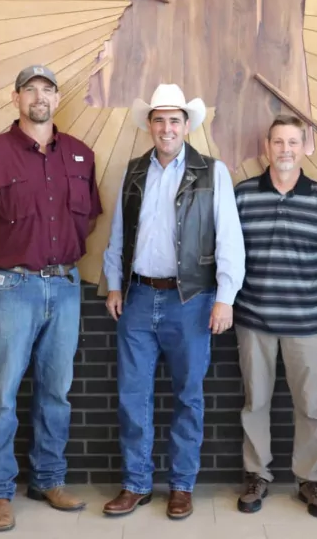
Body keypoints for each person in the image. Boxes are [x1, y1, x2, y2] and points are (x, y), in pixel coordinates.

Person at [0, 65, 102, 532]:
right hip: (11, 289)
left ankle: (48, 479)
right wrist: (5, 260)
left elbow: (89, 220)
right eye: (30, 89)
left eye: (47, 90)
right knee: (1, 394)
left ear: (57, 99)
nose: (39, 97)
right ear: (16, 98)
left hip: (65, 286)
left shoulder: (80, 156)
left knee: (56, 391)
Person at [101, 84, 246, 520]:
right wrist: (114, 285)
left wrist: (225, 298)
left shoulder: (212, 172)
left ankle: (182, 485)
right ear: (150, 125)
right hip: (137, 297)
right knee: (133, 396)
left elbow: (229, 238)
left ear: (187, 126)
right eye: (159, 120)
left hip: (193, 300)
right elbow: (119, 233)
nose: (167, 128)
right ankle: (136, 484)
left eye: (174, 121)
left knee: (188, 396)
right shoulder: (133, 171)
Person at [232, 115, 317, 517]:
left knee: (309, 405)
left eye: (293, 142)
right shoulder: (243, 196)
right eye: (278, 142)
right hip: (253, 319)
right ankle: (256, 474)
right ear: (267, 147)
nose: (285, 150)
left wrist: (299, 286)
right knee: (255, 402)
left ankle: (310, 478)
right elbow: (230, 253)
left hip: (306, 322)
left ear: (304, 147)